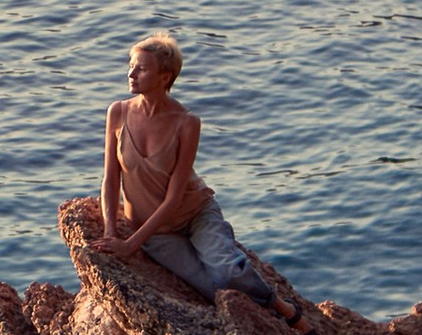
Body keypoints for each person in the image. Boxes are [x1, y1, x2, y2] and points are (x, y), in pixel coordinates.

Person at [85, 29, 288, 311]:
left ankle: (287, 312)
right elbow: (110, 178)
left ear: (164, 77)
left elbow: (174, 196)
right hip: (155, 233)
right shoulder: (118, 112)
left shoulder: (186, 122)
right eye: (131, 66)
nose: (131, 74)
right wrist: (111, 233)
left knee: (230, 273)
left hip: (195, 214)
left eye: (141, 69)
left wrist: (131, 245)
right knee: (215, 290)